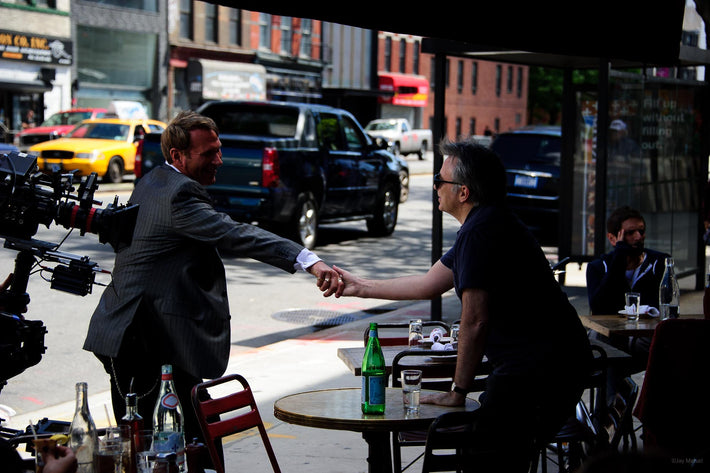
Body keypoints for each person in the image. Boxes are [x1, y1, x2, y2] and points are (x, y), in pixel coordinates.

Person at [83, 110, 343, 447]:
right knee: (177, 445)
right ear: (177, 155)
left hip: (138, 334)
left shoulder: (152, 181)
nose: (219, 159)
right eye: (209, 153)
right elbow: (236, 234)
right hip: (141, 340)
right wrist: (307, 260)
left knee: (179, 439)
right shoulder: (179, 195)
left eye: (218, 149)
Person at [332, 139, 592, 472]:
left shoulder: (480, 232)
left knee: (487, 459)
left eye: (440, 180)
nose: (436, 186)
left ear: (464, 192)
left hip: (538, 370)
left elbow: (475, 320)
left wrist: (457, 391)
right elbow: (428, 284)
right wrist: (360, 287)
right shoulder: (486, 223)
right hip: (549, 366)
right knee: (495, 457)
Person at [586, 206, 670, 377]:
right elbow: (600, 309)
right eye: (631, 233)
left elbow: (662, 305)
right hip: (612, 337)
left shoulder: (659, 263)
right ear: (612, 238)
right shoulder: (598, 267)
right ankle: (616, 396)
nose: (638, 237)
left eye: (641, 231)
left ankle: (615, 395)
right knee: (599, 338)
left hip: (643, 340)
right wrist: (619, 258)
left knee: (664, 342)